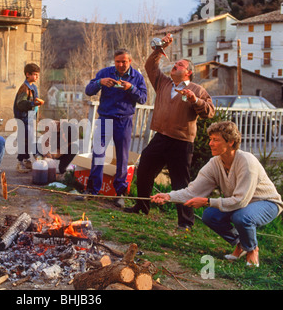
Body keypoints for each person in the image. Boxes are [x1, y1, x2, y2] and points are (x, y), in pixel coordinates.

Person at [151, 121, 283, 267]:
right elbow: (193, 191)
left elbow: (240, 201)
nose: (210, 144)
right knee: (209, 216)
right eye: (210, 139)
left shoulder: (246, 162)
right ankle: (240, 244)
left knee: (241, 217)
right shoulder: (215, 163)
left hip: (267, 203)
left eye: (216, 140)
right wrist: (169, 197)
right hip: (242, 203)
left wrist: (208, 202)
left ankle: (252, 249)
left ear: (231, 142)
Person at [126, 33, 215, 230]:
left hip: (182, 142)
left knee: (180, 184)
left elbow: (209, 112)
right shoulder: (164, 83)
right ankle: (142, 206)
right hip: (161, 137)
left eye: (180, 64)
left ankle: (185, 222)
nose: (176, 65)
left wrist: (195, 100)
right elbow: (150, 67)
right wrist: (159, 48)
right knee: (145, 168)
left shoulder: (197, 89)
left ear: (188, 73)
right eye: (175, 63)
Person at [84, 49, 148, 208]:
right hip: (105, 118)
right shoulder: (105, 73)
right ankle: (92, 190)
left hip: (124, 121)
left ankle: (119, 193)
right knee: (98, 153)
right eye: (118, 61)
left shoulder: (137, 77)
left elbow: (143, 98)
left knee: (122, 157)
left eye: (124, 61)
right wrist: (100, 83)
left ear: (130, 61)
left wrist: (130, 88)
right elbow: (88, 91)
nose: (120, 64)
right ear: (114, 61)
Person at [13, 63, 44, 173]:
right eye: (35, 75)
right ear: (27, 74)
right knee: (24, 140)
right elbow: (20, 104)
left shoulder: (33, 87)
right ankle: (20, 162)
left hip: (31, 117)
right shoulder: (24, 88)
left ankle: (26, 160)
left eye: (37, 75)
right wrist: (33, 103)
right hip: (24, 118)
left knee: (30, 139)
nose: (37, 77)